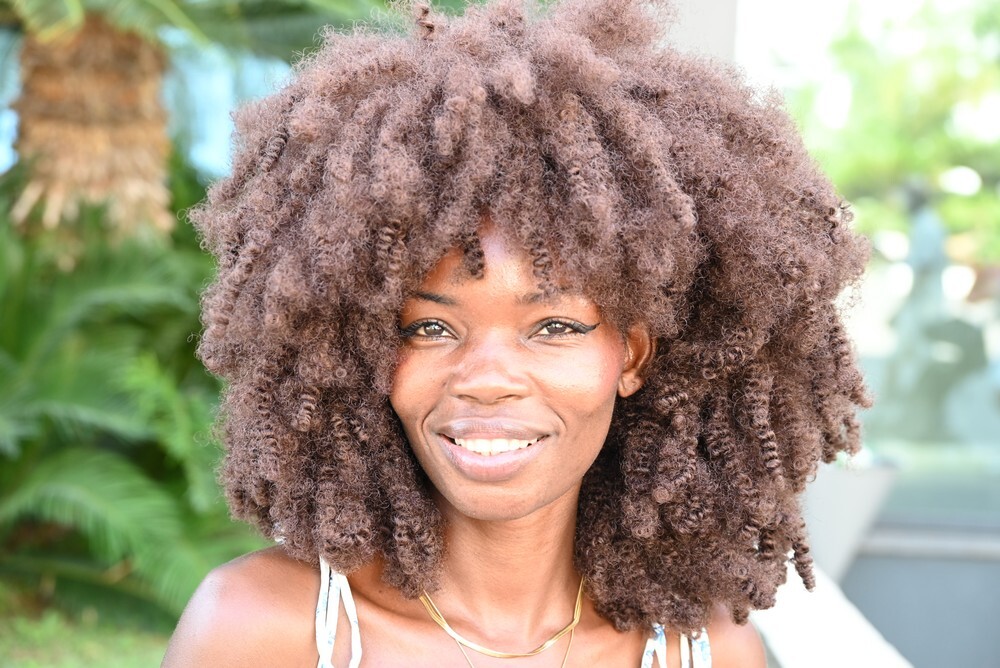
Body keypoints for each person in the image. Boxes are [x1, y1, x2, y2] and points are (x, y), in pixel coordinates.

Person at [162, 0, 870, 665]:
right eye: (431, 327)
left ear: (633, 354)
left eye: (553, 325)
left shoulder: (702, 651)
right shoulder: (265, 629)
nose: (487, 379)